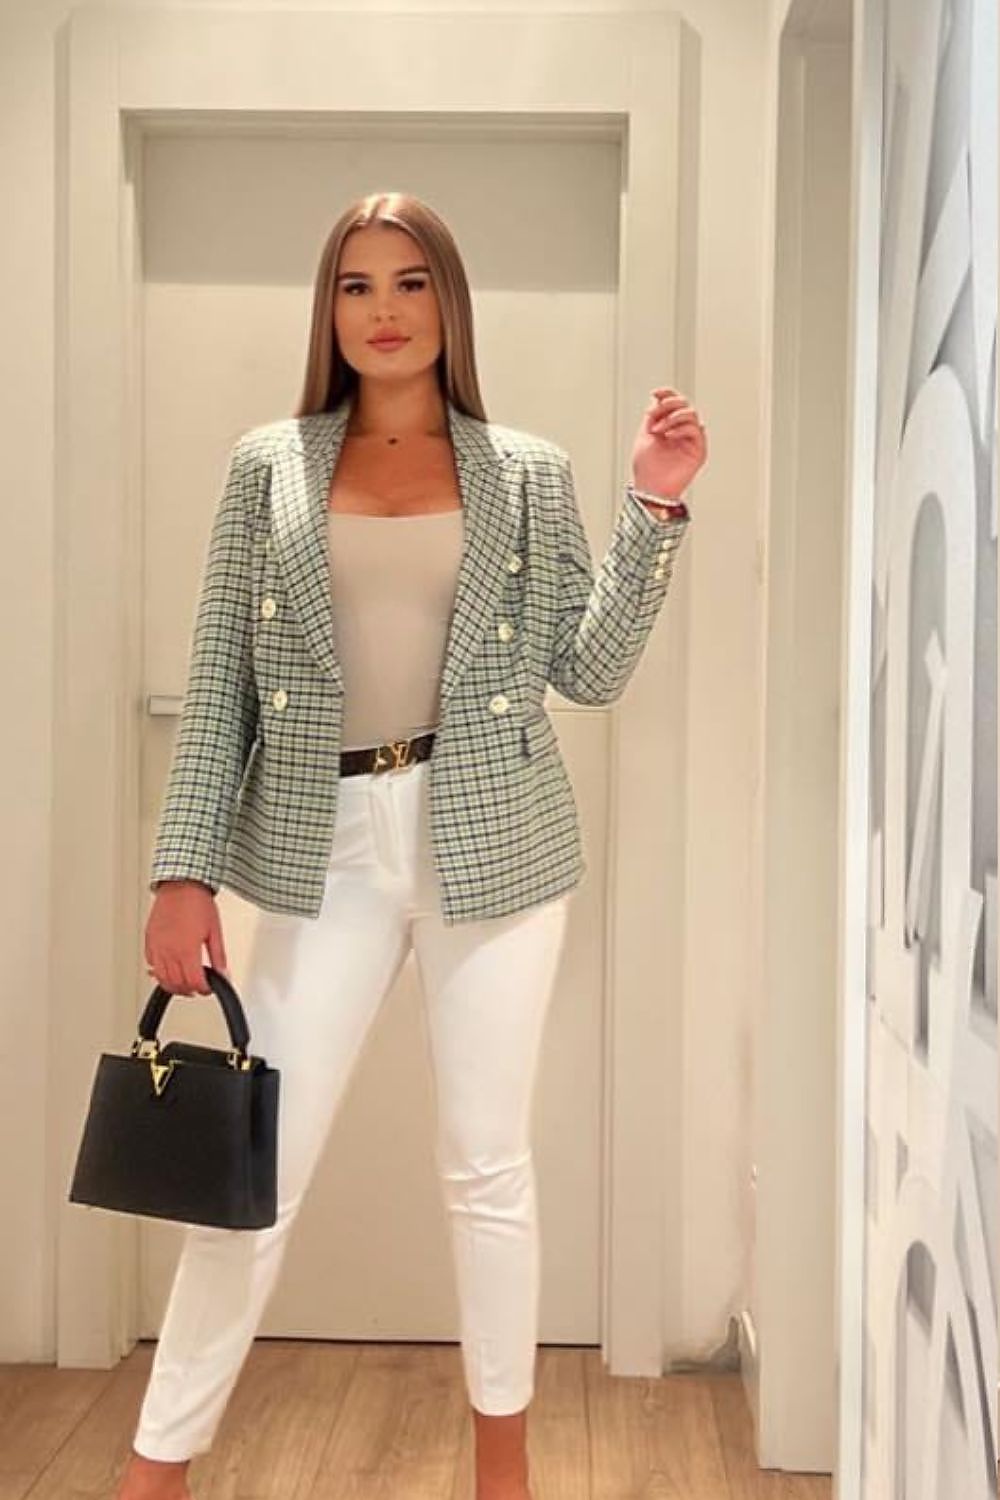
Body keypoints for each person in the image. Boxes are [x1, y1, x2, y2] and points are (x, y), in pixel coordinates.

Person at [116, 191, 707, 1500]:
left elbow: (589, 670)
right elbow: (220, 686)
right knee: (252, 1171)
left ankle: (506, 1469)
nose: (383, 310)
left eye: (409, 282)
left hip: (493, 839)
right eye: (356, 285)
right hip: (313, 843)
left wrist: (653, 511)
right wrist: (180, 871)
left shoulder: (525, 471)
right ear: (328, 310)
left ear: (448, 301)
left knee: (487, 1164)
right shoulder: (268, 465)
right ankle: (152, 1473)